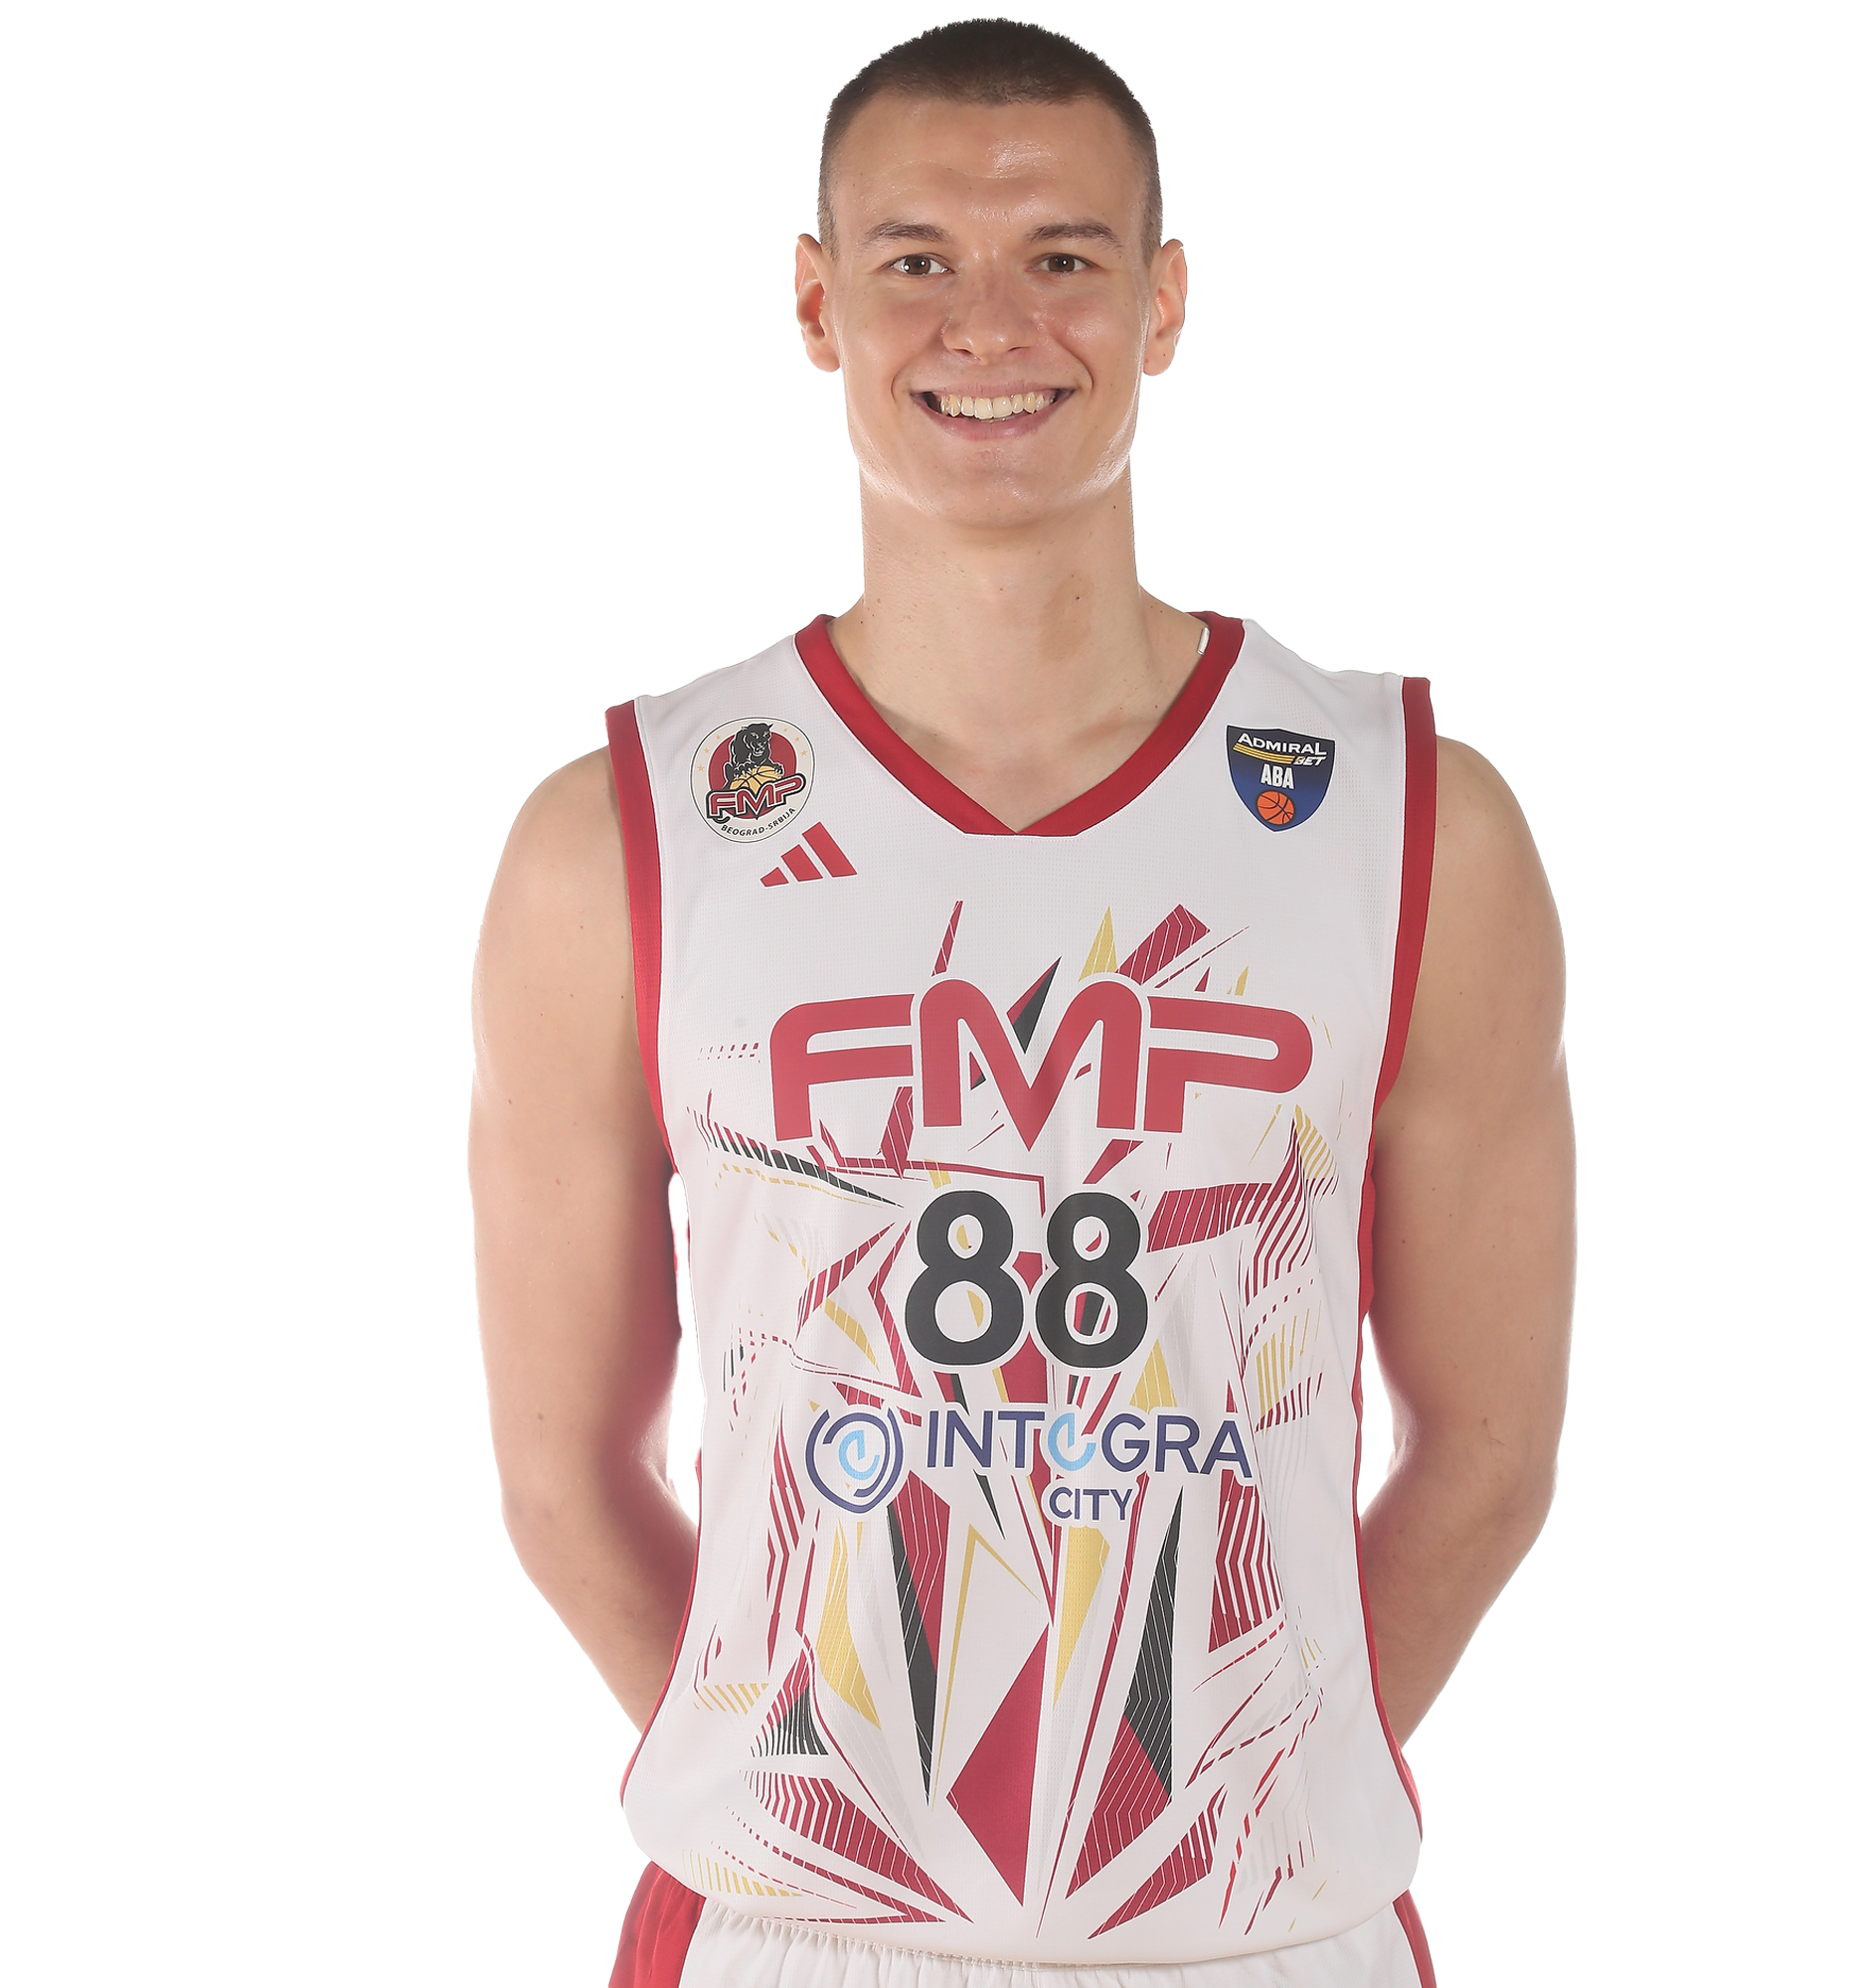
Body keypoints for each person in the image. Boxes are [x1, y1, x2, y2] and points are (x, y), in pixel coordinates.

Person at [469, 19, 1573, 1988]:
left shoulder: (1405, 816)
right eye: (917, 259)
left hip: (1267, 1924)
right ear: (818, 302)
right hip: (794, 1928)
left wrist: (1235, 1780)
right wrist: (801, 1785)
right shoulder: (625, 837)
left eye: (1063, 255)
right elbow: (562, 1469)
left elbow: (1486, 1449)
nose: (990, 324)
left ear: (1162, 303)